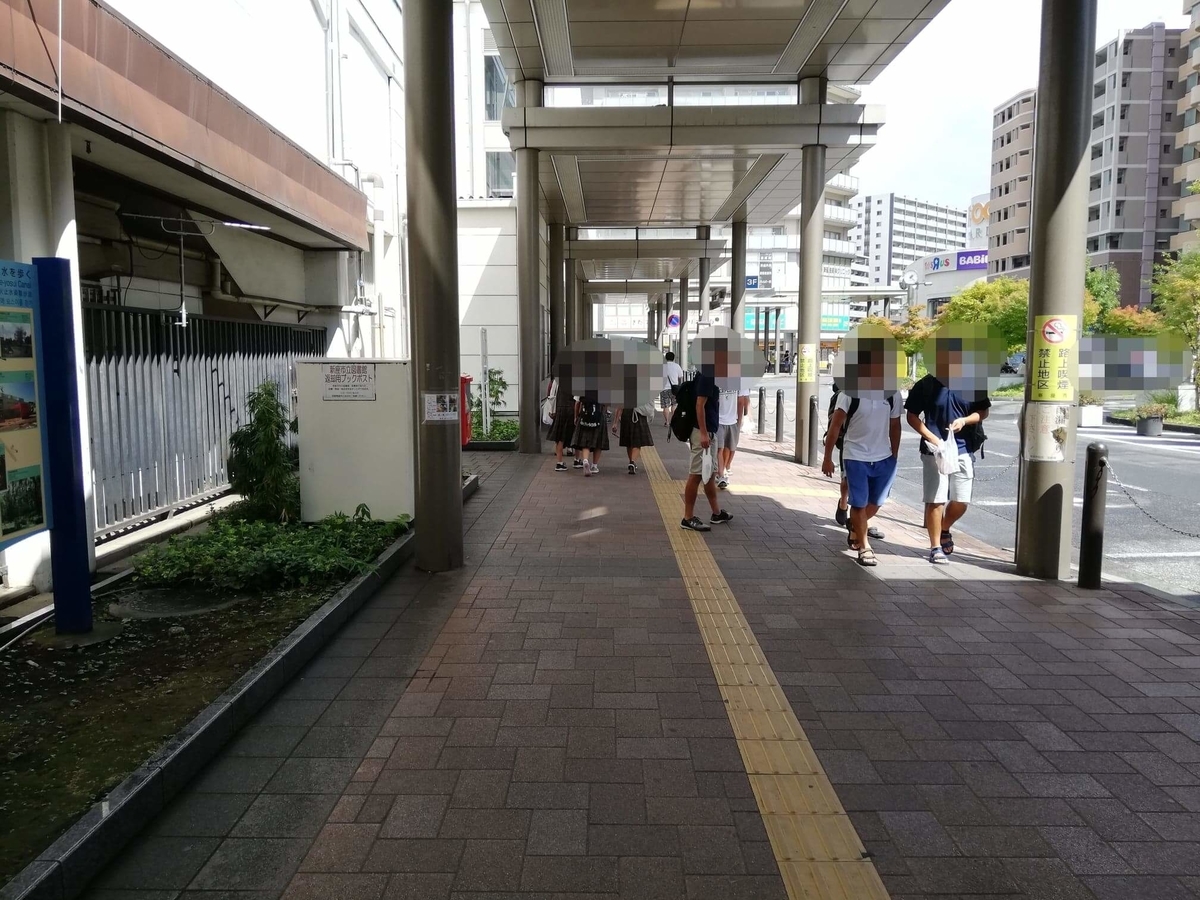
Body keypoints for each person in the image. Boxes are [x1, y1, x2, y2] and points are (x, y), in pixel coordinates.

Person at [904, 354, 991, 564]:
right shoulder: (926, 385)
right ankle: (935, 547)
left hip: (962, 448)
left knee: (962, 500)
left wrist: (965, 420)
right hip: (934, 449)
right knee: (936, 499)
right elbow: (911, 415)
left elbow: (983, 411)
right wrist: (932, 438)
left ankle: (944, 527)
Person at [821, 354, 901, 567]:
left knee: (876, 503)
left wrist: (894, 456)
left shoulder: (892, 394)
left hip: (884, 457)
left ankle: (856, 526)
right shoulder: (849, 392)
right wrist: (827, 458)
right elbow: (835, 426)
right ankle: (865, 547)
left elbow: (895, 425)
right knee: (859, 502)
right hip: (855, 456)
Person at [680, 362, 733, 531]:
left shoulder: (710, 374)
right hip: (702, 432)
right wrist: (703, 433)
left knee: (710, 474)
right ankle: (687, 518)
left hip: (710, 431)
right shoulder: (707, 376)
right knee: (696, 474)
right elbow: (699, 405)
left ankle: (716, 513)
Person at [715, 383, 749, 489]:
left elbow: (741, 402)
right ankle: (721, 475)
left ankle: (724, 468)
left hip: (732, 420)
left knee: (730, 447)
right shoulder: (715, 379)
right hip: (718, 421)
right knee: (719, 449)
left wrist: (739, 421)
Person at [612, 403, 653, 474]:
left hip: (626, 414)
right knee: (637, 442)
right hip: (639, 414)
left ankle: (631, 461)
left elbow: (619, 406)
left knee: (628, 441)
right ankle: (632, 462)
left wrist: (615, 423)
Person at [546, 380, 578, 472]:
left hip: (560, 408)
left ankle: (559, 463)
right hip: (573, 409)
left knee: (560, 436)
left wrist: (552, 410)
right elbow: (579, 398)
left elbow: (552, 395)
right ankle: (577, 460)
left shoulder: (558, 380)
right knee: (576, 434)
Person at [661, 351, 684, 427]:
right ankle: (673, 422)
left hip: (664, 389)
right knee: (674, 405)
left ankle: (667, 422)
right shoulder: (676, 366)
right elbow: (681, 376)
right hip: (675, 389)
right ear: (673, 358)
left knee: (665, 406)